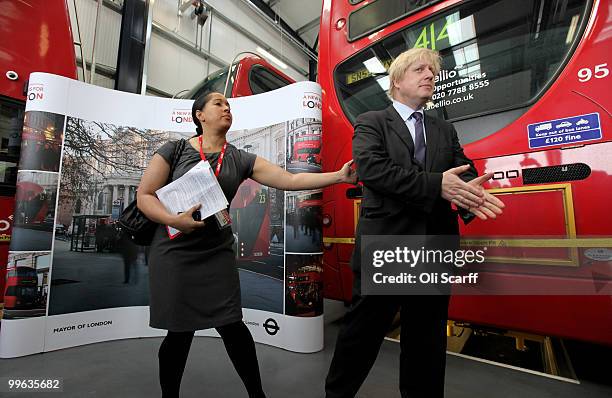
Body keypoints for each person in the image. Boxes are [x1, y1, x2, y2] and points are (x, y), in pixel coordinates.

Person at [137, 92, 357, 398]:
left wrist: (337, 176)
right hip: (175, 253)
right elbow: (145, 195)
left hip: (215, 253)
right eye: (217, 103)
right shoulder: (173, 150)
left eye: (228, 105)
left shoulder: (239, 158)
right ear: (199, 115)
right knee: (179, 333)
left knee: (232, 326)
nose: (226, 107)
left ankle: (257, 394)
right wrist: (173, 220)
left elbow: (289, 180)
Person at [324, 48, 505, 398]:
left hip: (435, 248)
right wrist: (438, 184)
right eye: (420, 70)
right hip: (387, 247)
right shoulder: (371, 122)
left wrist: (471, 197)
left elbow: (463, 173)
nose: (430, 76)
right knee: (360, 338)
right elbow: (373, 171)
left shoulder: (444, 128)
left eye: (433, 72)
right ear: (396, 81)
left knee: (427, 343)